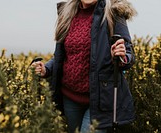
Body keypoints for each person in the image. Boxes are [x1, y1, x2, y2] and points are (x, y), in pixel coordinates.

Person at [32, 0, 137, 132]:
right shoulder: (67, 13)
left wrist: (120, 56)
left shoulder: (113, 12)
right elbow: (63, 55)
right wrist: (46, 69)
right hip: (70, 98)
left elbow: (128, 54)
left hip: (100, 100)